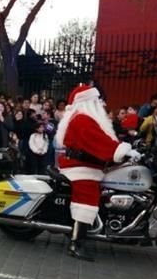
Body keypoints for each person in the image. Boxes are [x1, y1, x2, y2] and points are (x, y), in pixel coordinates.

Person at [55, 85, 139, 261]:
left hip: (88, 164)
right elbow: (99, 141)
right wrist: (121, 151)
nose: (101, 103)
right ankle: (75, 243)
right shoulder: (83, 119)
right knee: (88, 195)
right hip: (80, 167)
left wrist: (127, 148)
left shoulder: (87, 118)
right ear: (88, 102)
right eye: (97, 100)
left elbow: (105, 139)